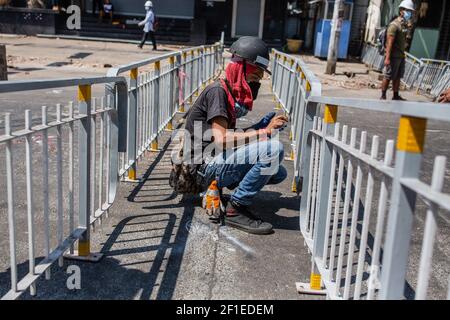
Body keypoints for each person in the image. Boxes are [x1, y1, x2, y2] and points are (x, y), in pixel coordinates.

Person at [183, 37, 288, 235]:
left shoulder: (227, 92)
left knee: (277, 172)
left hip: (212, 158)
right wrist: (263, 132)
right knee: (274, 151)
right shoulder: (218, 93)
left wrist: (261, 127)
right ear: (241, 69)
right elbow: (222, 140)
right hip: (200, 168)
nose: (255, 83)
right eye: (254, 77)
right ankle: (236, 207)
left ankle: (224, 188)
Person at [380, 0, 415, 101]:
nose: (410, 13)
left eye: (411, 11)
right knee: (388, 76)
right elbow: (389, 43)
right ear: (401, 11)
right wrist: (387, 58)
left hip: (400, 55)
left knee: (398, 76)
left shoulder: (404, 25)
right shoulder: (394, 25)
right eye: (408, 11)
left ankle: (395, 95)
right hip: (393, 56)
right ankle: (383, 95)